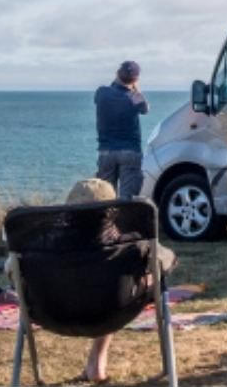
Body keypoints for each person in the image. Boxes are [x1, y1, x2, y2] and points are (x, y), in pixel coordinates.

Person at [64, 178, 176, 383]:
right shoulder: (129, 245)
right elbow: (164, 260)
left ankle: (96, 361)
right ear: (112, 212)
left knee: (104, 290)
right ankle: (97, 362)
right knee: (125, 285)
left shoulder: (45, 244)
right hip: (113, 309)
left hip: (56, 313)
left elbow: (12, 269)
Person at [94, 61, 148, 199]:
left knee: (105, 199)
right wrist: (135, 89)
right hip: (130, 151)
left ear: (117, 73)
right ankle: (123, 220)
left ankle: (106, 221)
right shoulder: (135, 97)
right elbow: (145, 109)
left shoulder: (101, 93)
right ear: (135, 79)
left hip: (106, 152)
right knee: (127, 200)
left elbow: (111, 90)